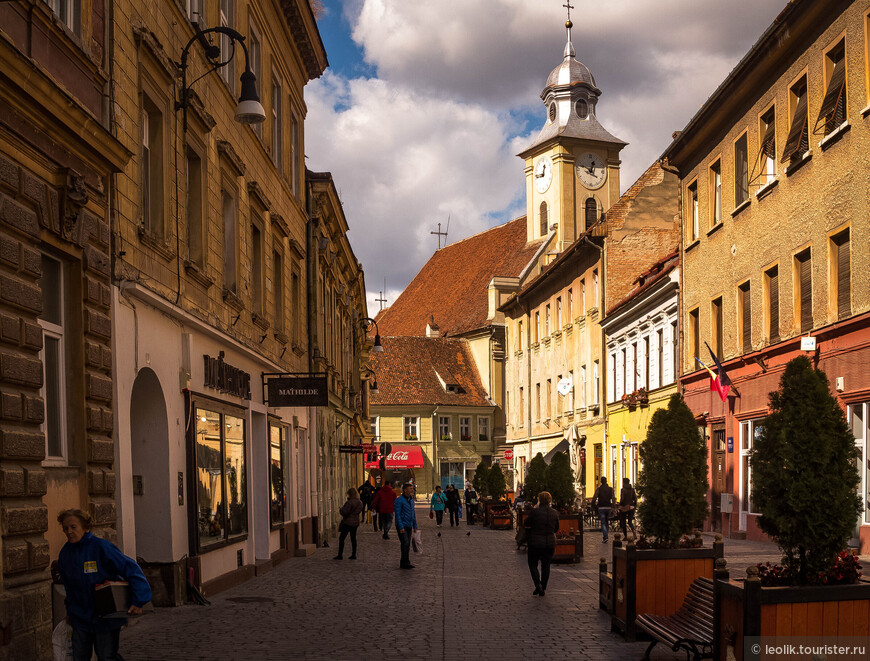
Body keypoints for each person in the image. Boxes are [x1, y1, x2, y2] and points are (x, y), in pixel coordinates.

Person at [56, 508, 152, 661]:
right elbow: (69, 587)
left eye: (73, 527)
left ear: (85, 527)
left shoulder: (101, 547)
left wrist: (139, 600)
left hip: (106, 616)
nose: (69, 531)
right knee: (79, 657)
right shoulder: (65, 554)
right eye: (65, 528)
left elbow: (131, 568)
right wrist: (70, 610)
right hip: (80, 617)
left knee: (106, 657)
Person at [523, 491, 560, 597]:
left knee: (532, 564)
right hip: (550, 543)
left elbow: (526, 523)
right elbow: (556, 528)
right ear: (549, 501)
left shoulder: (535, 512)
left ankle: (537, 584)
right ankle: (543, 586)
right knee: (546, 565)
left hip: (535, 542)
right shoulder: (554, 512)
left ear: (539, 500)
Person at [394, 482, 418, 569]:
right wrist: (400, 527)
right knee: (405, 543)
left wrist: (415, 525)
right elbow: (398, 514)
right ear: (405, 490)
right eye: (410, 489)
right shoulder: (399, 500)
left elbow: (413, 513)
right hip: (402, 525)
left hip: (409, 525)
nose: (412, 490)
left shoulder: (411, 500)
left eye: (412, 489)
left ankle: (405, 561)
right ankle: (404, 562)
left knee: (407, 544)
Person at [334, 488, 364, 560]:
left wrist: (341, 509)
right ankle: (354, 554)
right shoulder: (360, 502)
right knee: (353, 538)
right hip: (355, 522)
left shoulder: (349, 502)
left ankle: (340, 555)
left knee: (342, 538)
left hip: (347, 522)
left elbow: (345, 512)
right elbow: (358, 511)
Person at [592, 476, 615, 543]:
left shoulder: (599, 489)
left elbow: (594, 498)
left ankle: (605, 536)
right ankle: (606, 535)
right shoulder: (611, 489)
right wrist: (613, 506)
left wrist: (593, 505)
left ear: (601, 482)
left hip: (601, 507)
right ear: (606, 481)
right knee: (607, 522)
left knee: (603, 523)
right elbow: (613, 498)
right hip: (608, 507)